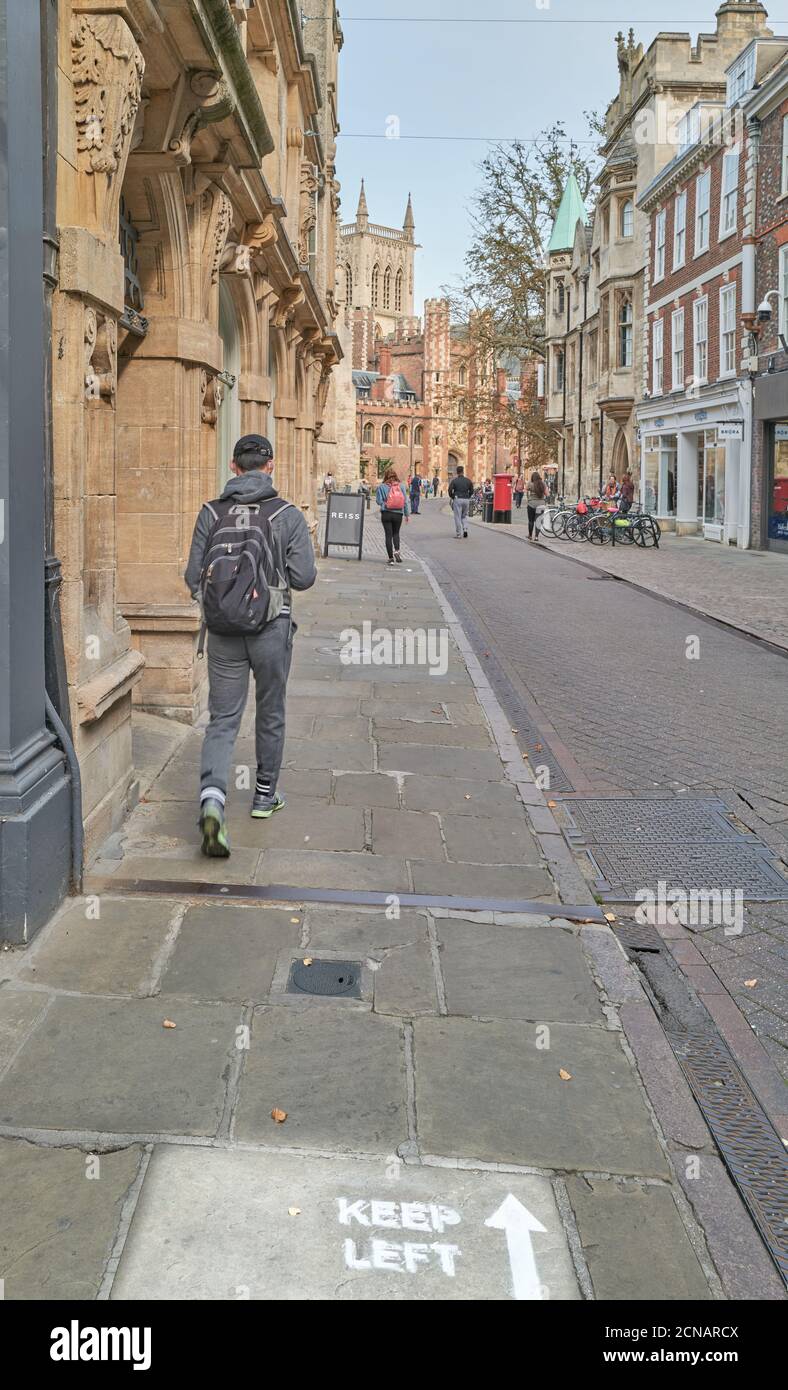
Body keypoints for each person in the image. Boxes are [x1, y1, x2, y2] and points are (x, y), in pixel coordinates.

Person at [184, 434, 317, 858]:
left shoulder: (211, 512)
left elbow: (192, 577)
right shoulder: (287, 515)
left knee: (222, 718)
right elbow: (304, 577)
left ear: (233, 466)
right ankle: (263, 797)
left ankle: (212, 802)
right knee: (271, 710)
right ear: (271, 465)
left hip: (223, 631)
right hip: (271, 629)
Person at [376, 466, 410, 565]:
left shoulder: (382, 487)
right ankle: (397, 551)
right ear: (396, 476)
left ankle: (390, 558)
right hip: (398, 513)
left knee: (388, 535)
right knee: (396, 533)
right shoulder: (401, 486)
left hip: (386, 513)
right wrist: (407, 514)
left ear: (385, 476)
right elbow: (405, 502)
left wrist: (384, 504)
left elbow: (378, 501)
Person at [448, 465, 474, 538]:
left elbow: (450, 490)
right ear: (463, 471)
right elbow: (472, 490)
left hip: (458, 498)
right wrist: (468, 496)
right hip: (466, 499)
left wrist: (452, 496)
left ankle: (459, 534)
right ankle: (465, 529)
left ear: (457, 472)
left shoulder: (454, 481)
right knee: (464, 516)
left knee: (457, 517)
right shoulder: (468, 480)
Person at [526, 470, 546, 541]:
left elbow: (526, 489)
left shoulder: (530, 484)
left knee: (531, 521)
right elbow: (547, 493)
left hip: (531, 504)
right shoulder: (543, 484)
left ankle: (530, 535)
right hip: (541, 505)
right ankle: (537, 537)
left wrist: (529, 497)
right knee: (538, 521)